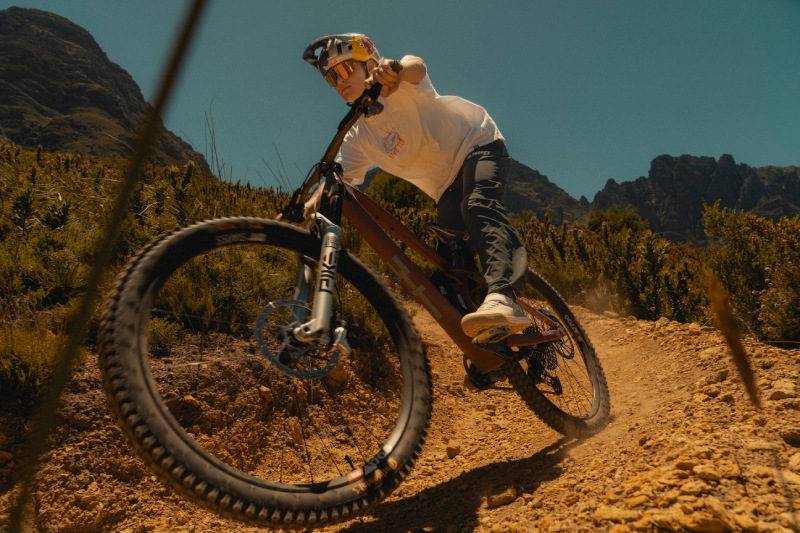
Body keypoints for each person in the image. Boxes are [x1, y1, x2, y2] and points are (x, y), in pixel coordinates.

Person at [302, 33, 530, 338]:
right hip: (445, 187)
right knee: (451, 271)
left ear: (369, 63)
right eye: (333, 78)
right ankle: (488, 341)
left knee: (478, 204)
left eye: (345, 69)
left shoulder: (397, 83)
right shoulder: (357, 136)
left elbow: (416, 66)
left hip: (477, 144)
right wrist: (306, 208)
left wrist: (395, 70)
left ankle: (504, 295)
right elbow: (340, 179)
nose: (340, 81)